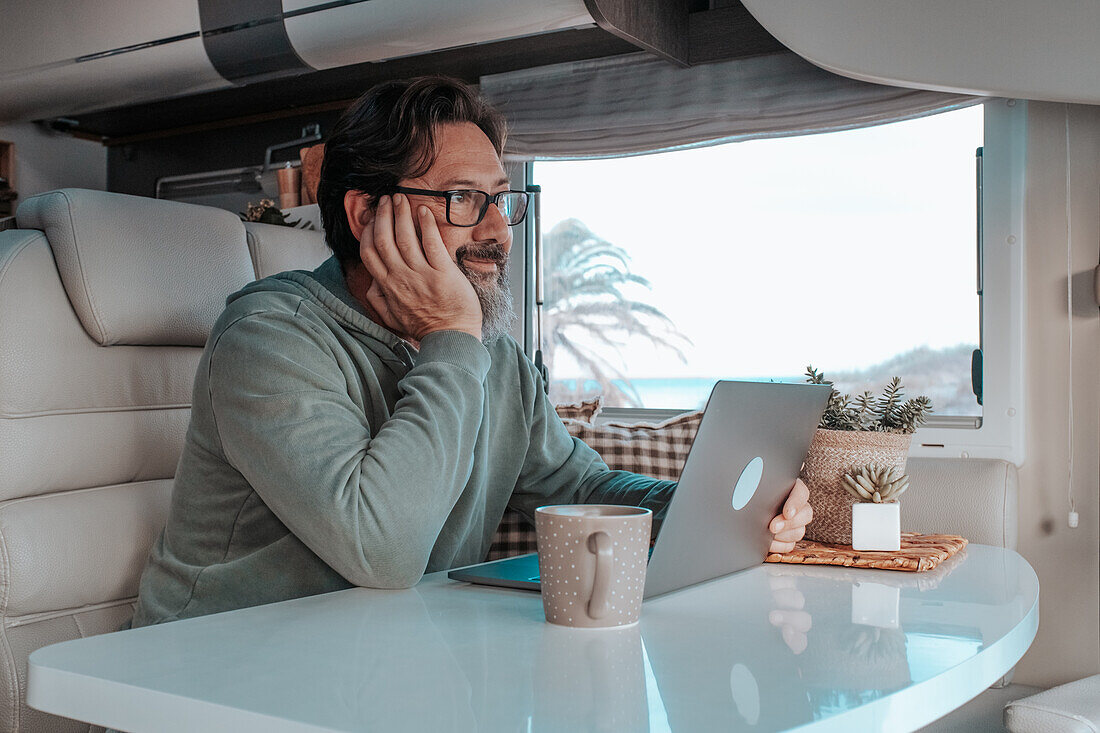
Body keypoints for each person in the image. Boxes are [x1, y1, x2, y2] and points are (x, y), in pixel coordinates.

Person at [130, 76, 812, 627]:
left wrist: (710, 508)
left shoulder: (494, 359)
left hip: (381, 669)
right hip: (212, 682)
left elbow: (584, 488)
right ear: (367, 215)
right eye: (463, 199)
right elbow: (384, 548)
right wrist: (450, 336)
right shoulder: (269, 338)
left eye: (500, 201)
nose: (499, 232)